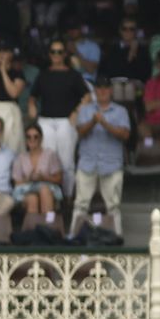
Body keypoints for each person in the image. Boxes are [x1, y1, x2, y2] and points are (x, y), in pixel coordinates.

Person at [72, 78, 131, 236]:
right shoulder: (85, 110)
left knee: (113, 206)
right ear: (95, 91)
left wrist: (104, 124)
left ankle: (118, 237)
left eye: (105, 88)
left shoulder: (120, 111)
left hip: (111, 164)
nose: (102, 91)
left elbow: (125, 134)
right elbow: (80, 132)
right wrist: (93, 121)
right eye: (99, 88)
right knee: (80, 204)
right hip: (87, 162)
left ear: (111, 90)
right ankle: (73, 237)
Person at [29, 40, 88, 198]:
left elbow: (87, 96)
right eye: (53, 52)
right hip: (46, 121)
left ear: (65, 54)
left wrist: (76, 111)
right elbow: (33, 96)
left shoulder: (73, 75)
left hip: (65, 122)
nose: (56, 55)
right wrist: (32, 106)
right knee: (47, 160)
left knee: (67, 161)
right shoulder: (43, 74)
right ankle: (52, 198)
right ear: (49, 55)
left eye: (60, 52)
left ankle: (67, 197)